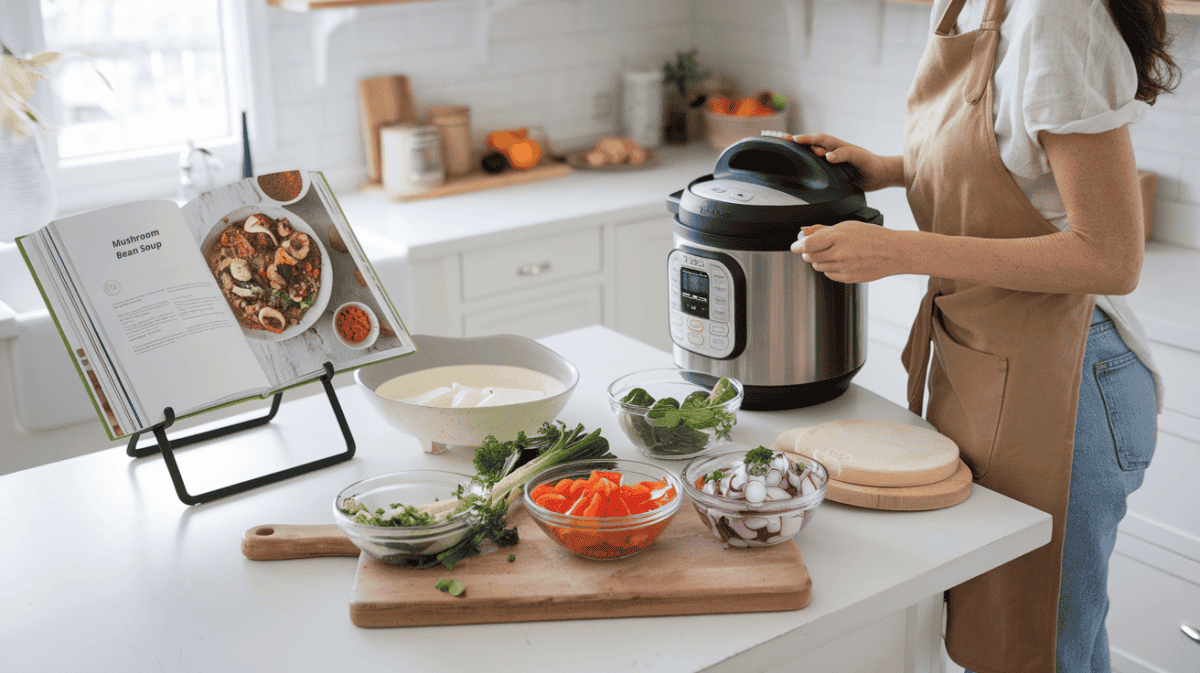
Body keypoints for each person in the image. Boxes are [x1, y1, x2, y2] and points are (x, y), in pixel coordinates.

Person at [789, 1, 1180, 672]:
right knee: (1006, 640)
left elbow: (1111, 256)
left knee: (1039, 651)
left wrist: (901, 251)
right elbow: (1007, 159)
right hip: (984, 366)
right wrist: (887, 168)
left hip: (1066, 385)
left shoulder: (1061, 14)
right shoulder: (965, 3)